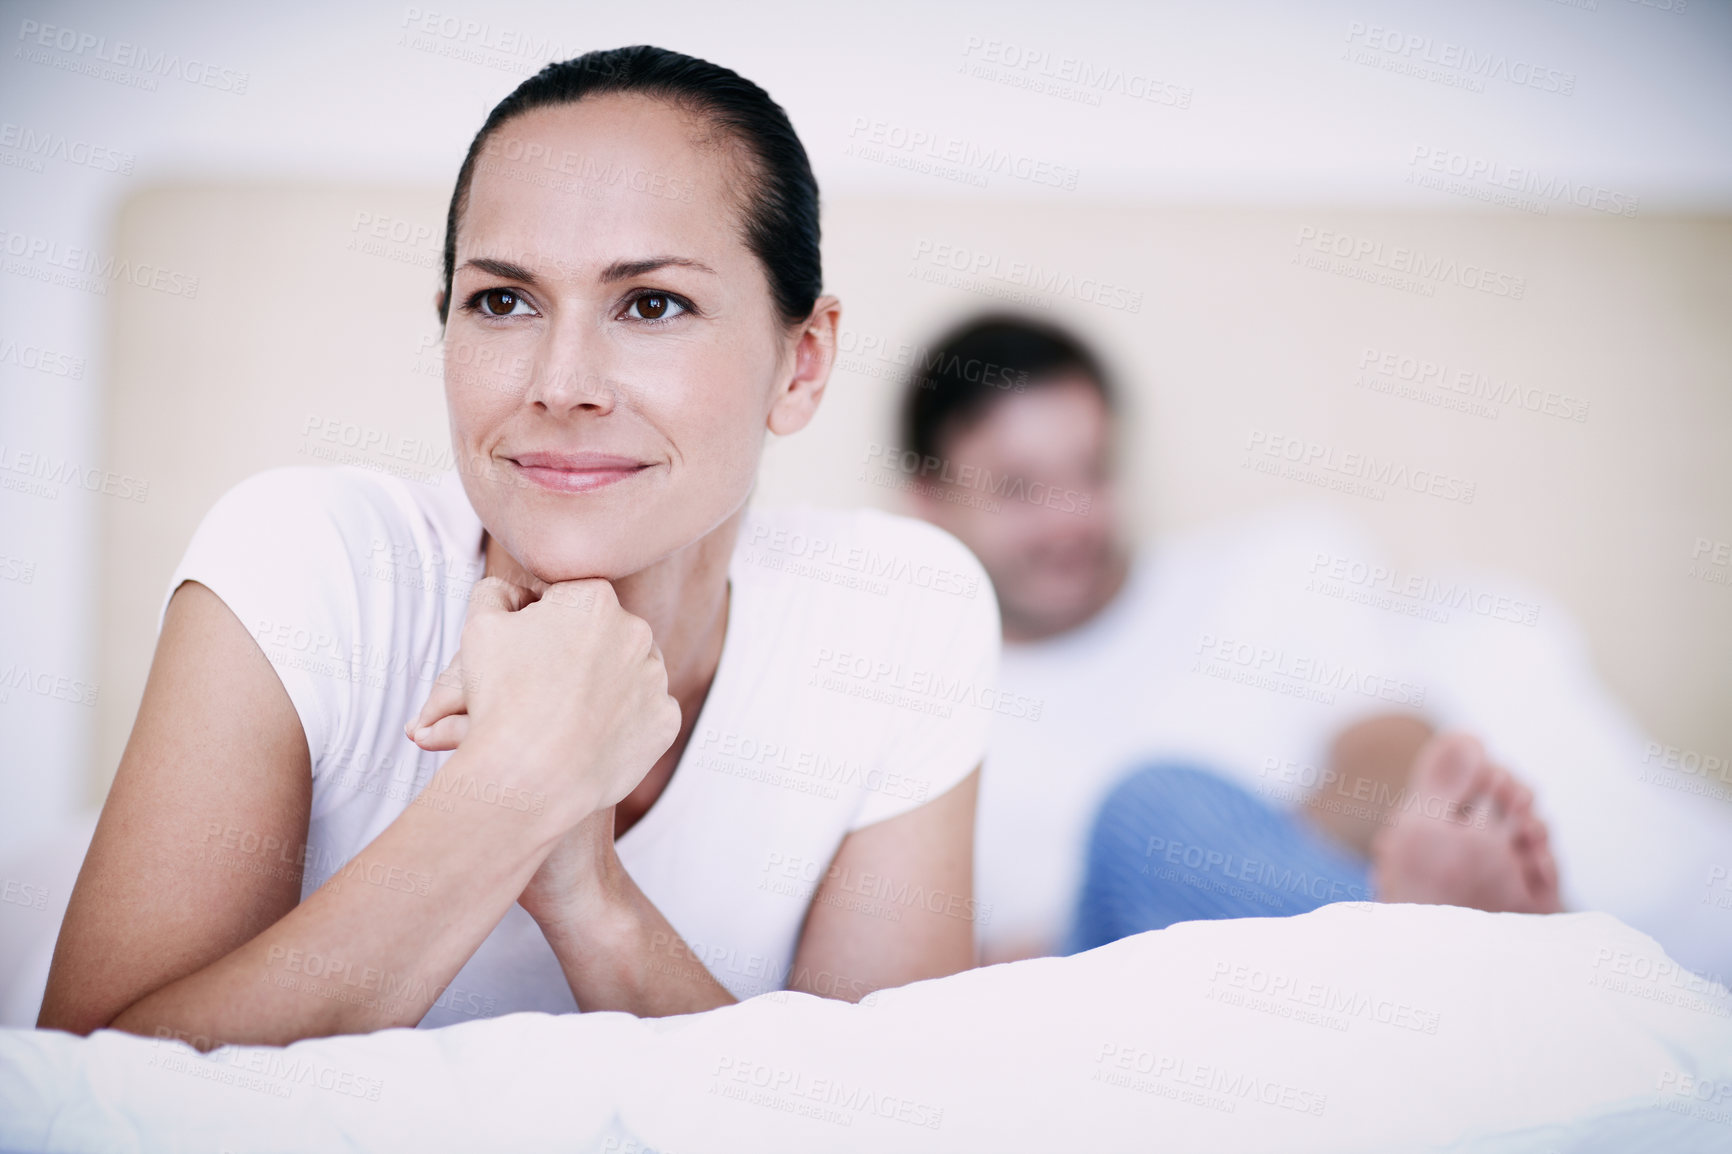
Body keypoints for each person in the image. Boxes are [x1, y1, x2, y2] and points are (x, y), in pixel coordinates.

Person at [38, 46, 997, 1048]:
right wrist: (518, 786)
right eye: (502, 300)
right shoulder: (305, 566)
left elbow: (866, 1118)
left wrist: (591, 896)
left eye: (651, 303)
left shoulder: (902, 614)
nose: (560, 381)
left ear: (801, 364)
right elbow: (88, 1090)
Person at [896, 315, 1561, 962]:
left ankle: (1427, 949)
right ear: (929, 499)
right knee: (1149, 817)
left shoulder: (1278, 565)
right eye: (1019, 490)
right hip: (1101, 996)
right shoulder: (918, 706)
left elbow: (1407, 771)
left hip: (1321, 958)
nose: (1069, 522)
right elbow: (948, 978)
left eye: (1091, 473)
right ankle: (1458, 953)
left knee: (1164, 821)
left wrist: (1226, 869)